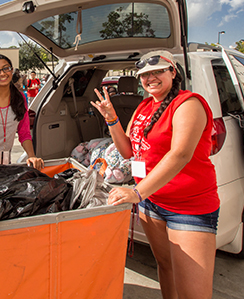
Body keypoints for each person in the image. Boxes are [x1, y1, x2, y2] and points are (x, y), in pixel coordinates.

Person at [91, 50, 219, 299]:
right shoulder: (144, 107)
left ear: (173, 72)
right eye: (145, 75)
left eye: (158, 71)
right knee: (166, 267)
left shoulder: (188, 103)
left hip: (188, 207)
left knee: (193, 293)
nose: (151, 78)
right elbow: (128, 150)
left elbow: (180, 154)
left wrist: (136, 192)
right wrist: (112, 119)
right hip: (152, 204)